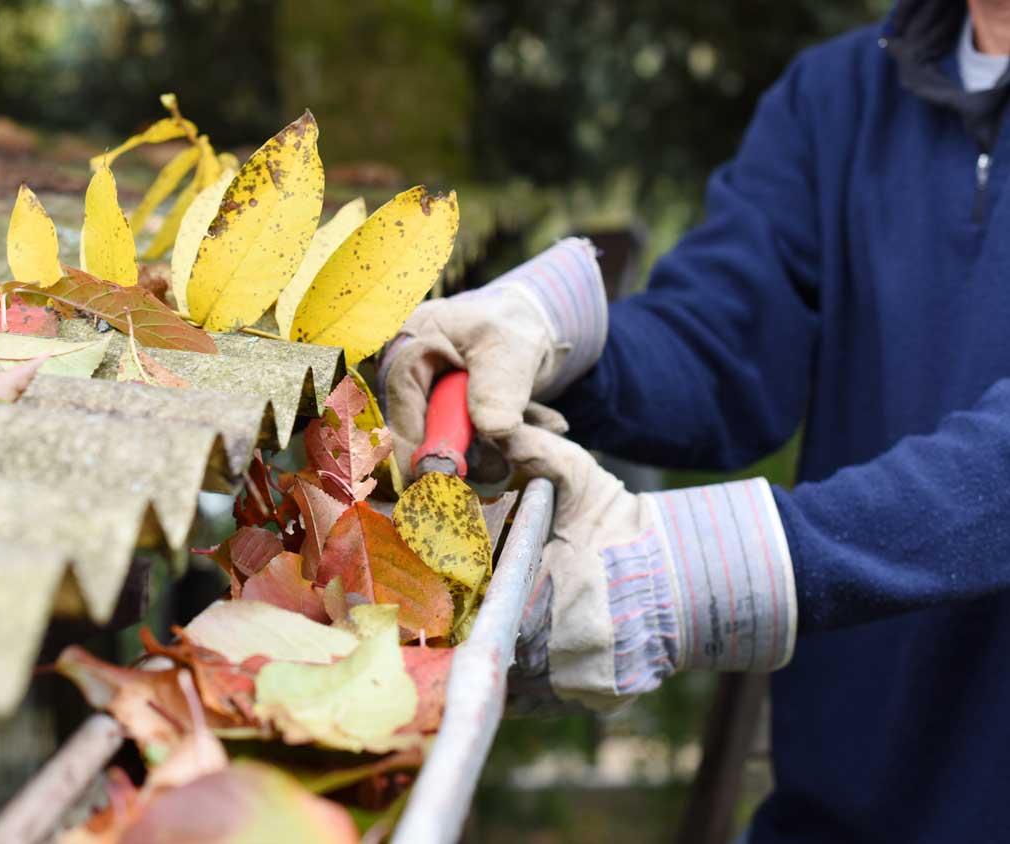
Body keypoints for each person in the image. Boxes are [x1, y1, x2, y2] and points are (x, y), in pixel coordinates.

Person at [384, 0, 1010, 840]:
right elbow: (725, 339)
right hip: (837, 812)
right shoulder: (840, 96)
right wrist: (558, 334)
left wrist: (686, 572)